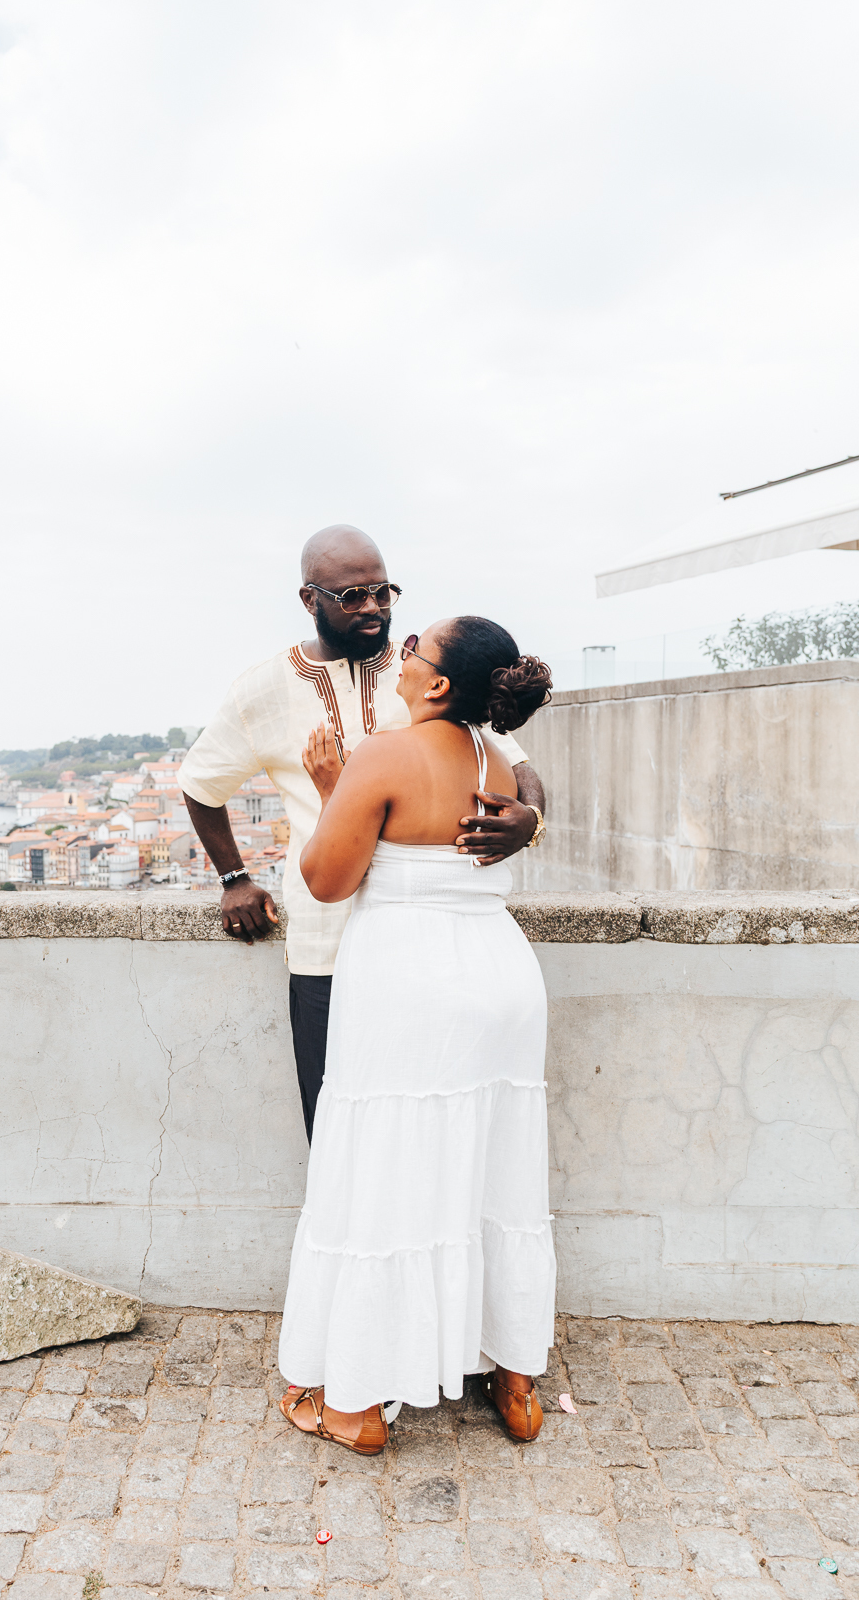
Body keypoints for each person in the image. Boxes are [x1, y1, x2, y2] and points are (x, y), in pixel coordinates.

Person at [276, 616, 555, 1454]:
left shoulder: (384, 757)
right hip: (502, 978)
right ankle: (512, 1375)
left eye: (415, 650)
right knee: (493, 1168)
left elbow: (328, 881)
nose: (401, 656)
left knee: (387, 1170)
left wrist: (333, 789)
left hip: (410, 983)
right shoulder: (496, 761)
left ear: (435, 685)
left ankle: (358, 1405)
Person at [178, 527, 547, 1142]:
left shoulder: (425, 675)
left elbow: (516, 765)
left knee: (429, 1125)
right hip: (326, 948)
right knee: (337, 1132)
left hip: (428, 951)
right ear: (309, 600)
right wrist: (234, 878)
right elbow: (200, 783)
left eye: (382, 591)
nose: (373, 608)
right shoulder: (263, 689)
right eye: (352, 596)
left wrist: (529, 821)